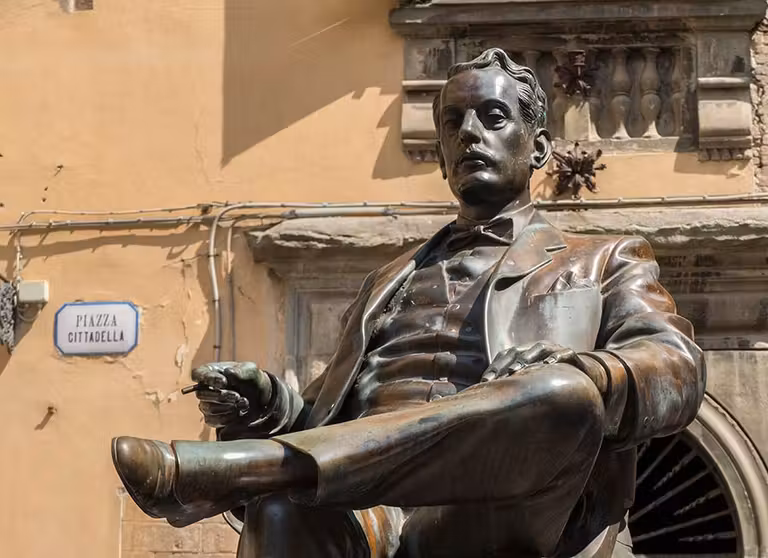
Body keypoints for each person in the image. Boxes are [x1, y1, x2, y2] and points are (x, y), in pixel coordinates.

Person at [112, 48, 705, 558]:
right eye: (453, 123)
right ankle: (266, 459)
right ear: (443, 156)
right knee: (282, 513)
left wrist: (579, 368)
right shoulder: (386, 282)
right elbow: (324, 420)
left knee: (561, 394)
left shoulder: (601, 260)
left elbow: (675, 366)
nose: (469, 132)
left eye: (493, 117)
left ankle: (252, 465)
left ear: (539, 147)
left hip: (498, 501)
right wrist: (265, 410)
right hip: (370, 510)